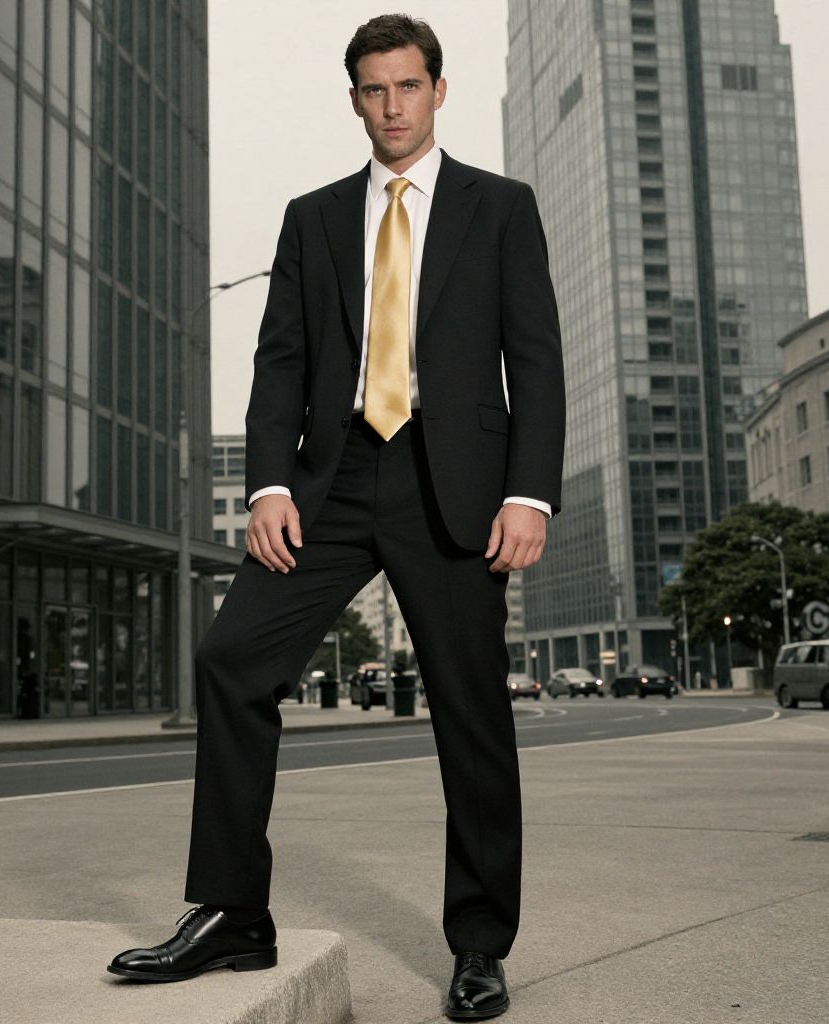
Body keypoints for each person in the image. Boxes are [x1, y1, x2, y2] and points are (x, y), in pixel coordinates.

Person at [108, 14, 564, 1021]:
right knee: (232, 660)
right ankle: (234, 911)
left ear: (437, 90)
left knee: (471, 714)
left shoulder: (500, 207)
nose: (392, 106)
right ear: (354, 98)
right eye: (373, 89)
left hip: (453, 485)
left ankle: (479, 944)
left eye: (408, 86)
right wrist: (268, 483)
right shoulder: (312, 218)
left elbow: (534, 355)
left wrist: (528, 493)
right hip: (333, 480)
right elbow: (279, 359)